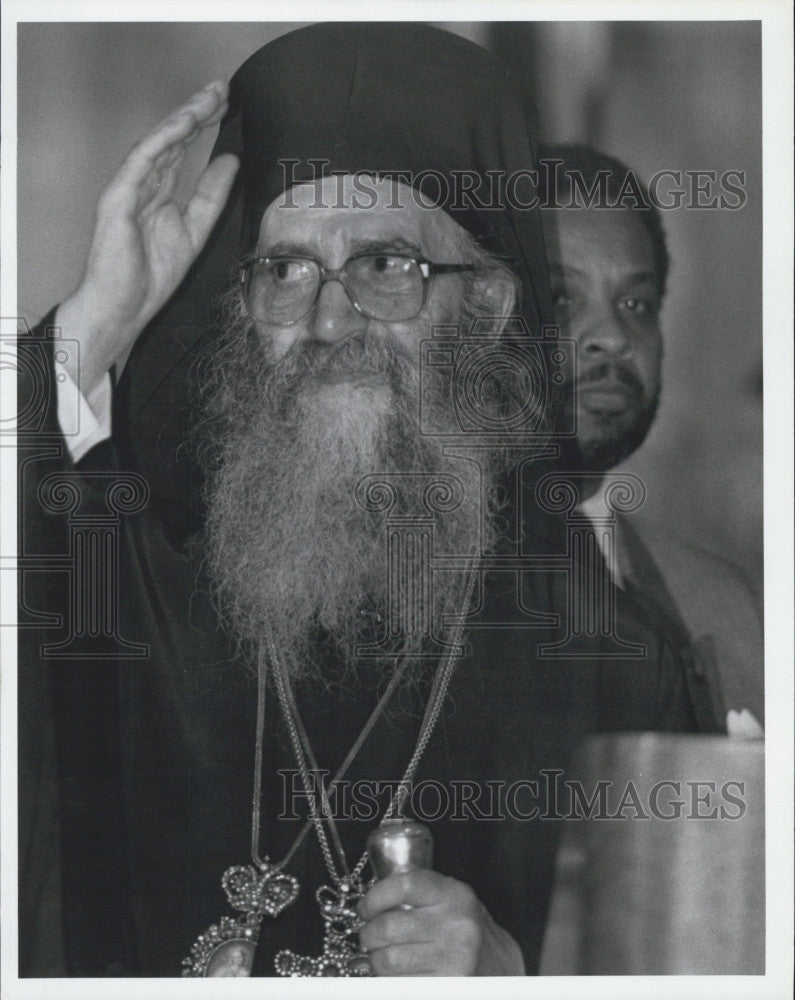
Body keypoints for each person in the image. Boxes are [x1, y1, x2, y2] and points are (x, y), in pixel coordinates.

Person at [18, 25, 726, 979]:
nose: (326, 319)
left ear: (486, 307)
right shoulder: (123, 576)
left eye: (387, 266)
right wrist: (91, 326)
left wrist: (514, 977)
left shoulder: (615, 665)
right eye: (285, 270)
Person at [537, 144, 763, 735]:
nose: (611, 336)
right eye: (562, 300)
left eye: (635, 303)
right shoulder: (411, 598)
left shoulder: (721, 608)